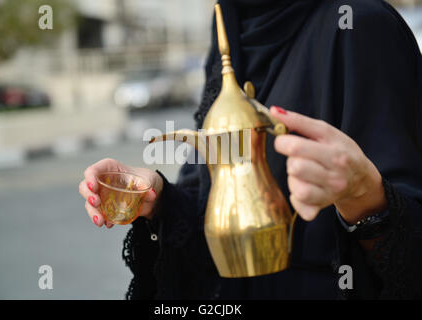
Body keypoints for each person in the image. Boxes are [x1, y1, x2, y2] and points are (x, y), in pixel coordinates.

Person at [79, 0, 422, 299]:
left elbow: (410, 256)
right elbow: (211, 200)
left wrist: (363, 195)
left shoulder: (359, 23)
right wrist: (159, 198)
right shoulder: (228, 24)